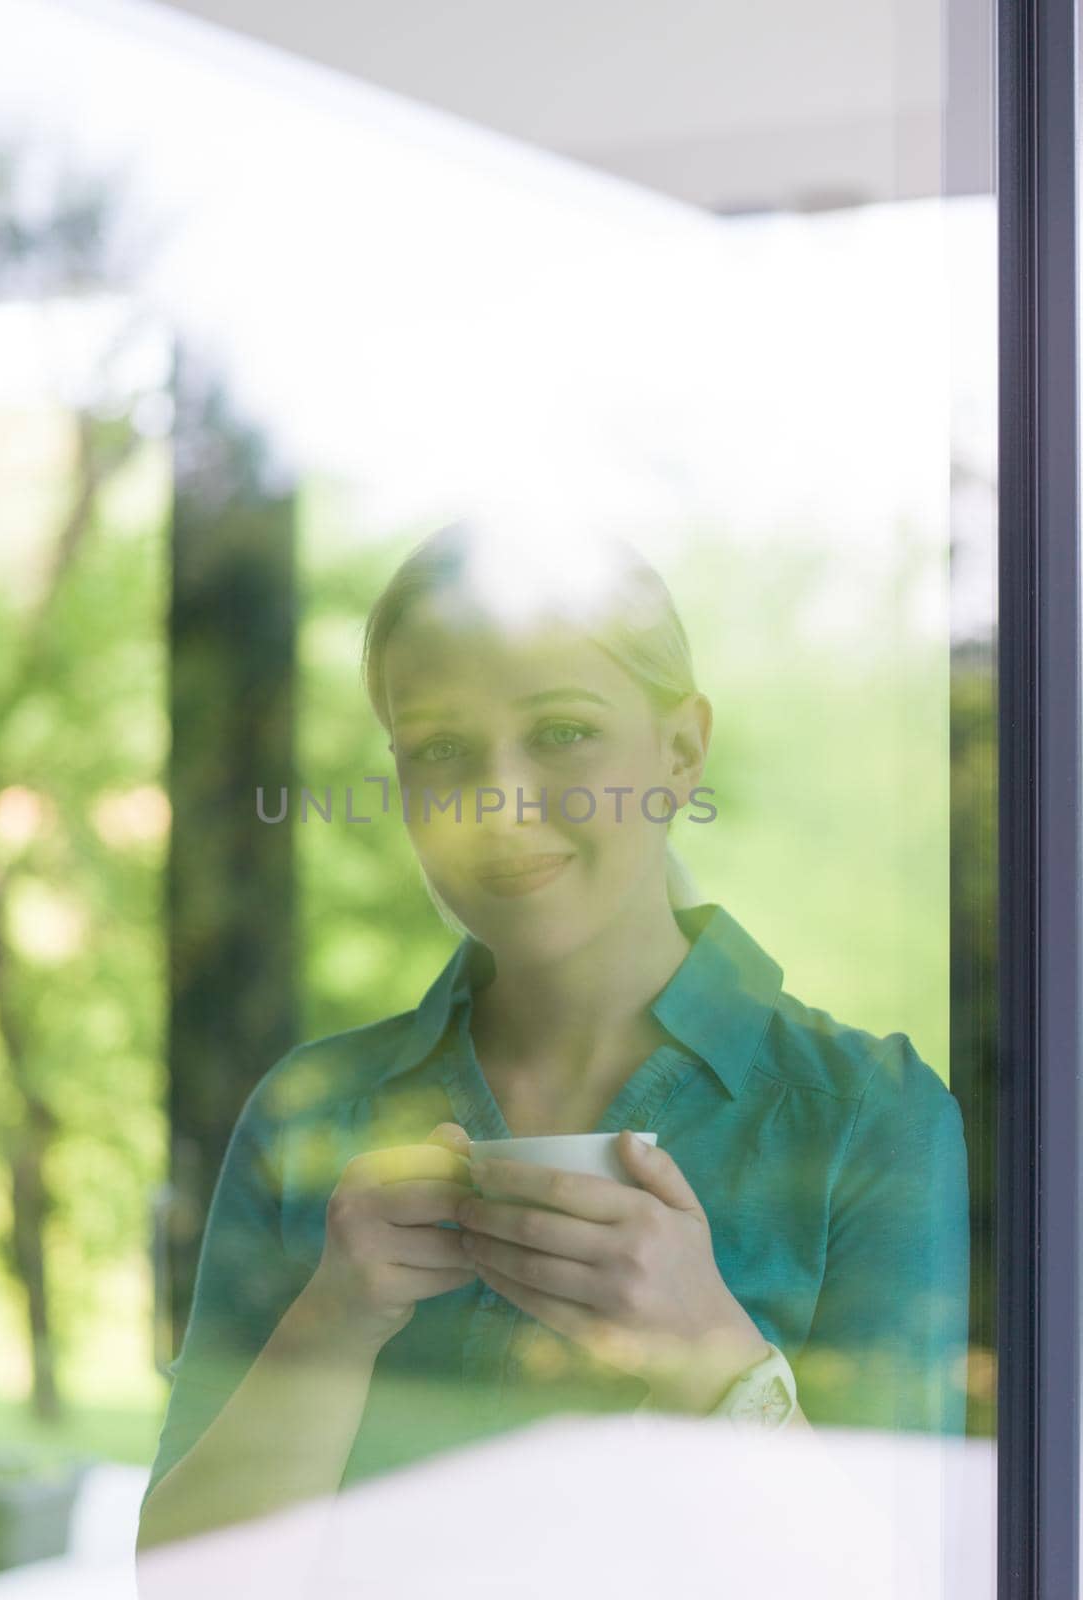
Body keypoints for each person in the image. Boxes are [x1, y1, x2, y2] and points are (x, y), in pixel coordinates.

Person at [136, 521, 969, 1563]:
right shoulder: (311, 1110)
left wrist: (711, 1356)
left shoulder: (868, 1118)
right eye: (439, 748)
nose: (500, 801)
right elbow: (184, 1581)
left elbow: (904, 1578)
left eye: (566, 730)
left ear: (680, 752)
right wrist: (333, 1320)